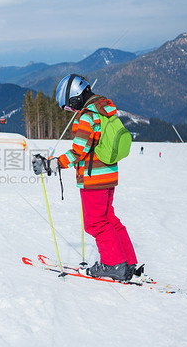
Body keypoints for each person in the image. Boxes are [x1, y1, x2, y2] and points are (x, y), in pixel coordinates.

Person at [35, 74, 138, 281]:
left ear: (75, 97)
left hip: (94, 179)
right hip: (108, 175)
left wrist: (51, 164)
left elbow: (77, 152)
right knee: (109, 218)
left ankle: (113, 265)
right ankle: (127, 263)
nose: (70, 111)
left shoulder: (87, 116)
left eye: (68, 106)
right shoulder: (105, 110)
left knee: (95, 222)